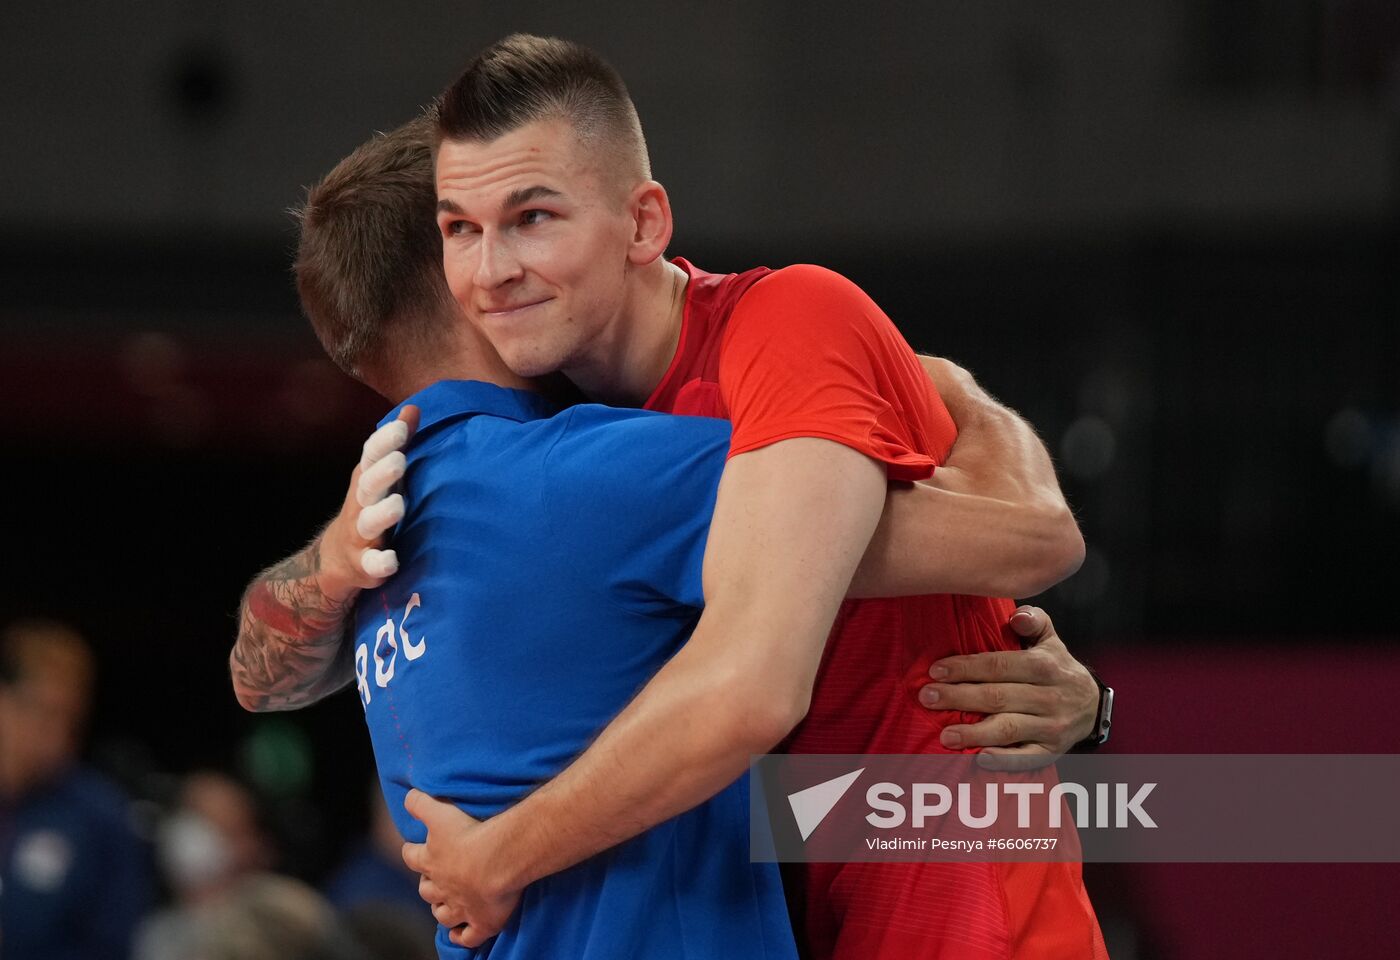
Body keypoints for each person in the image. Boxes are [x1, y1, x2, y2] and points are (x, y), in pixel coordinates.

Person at [231, 114, 1091, 958]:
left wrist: (328, 563)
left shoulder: (392, 524)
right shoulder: (598, 475)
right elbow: (1026, 539)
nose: (503, 262)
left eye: (530, 219)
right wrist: (955, 397)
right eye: (474, 229)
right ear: (451, 274)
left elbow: (255, 677)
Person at [0, 619, 154, 960]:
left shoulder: (102, 818)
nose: (57, 737)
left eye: (71, 721)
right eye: (44, 712)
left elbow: (113, 948)